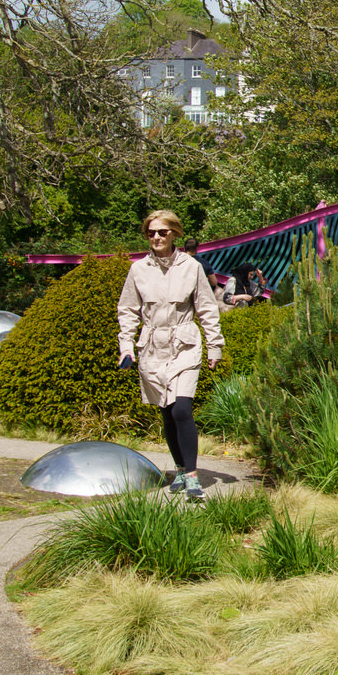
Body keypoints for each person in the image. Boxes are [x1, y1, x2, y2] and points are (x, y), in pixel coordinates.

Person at [117, 210, 224, 501]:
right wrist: (126, 346)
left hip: (185, 346)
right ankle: (179, 469)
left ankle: (192, 476)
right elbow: (127, 310)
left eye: (162, 232)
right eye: (151, 232)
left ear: (174, 234)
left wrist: (215, 345)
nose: (156, 237)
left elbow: (206, 307)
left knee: (181, 409)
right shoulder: (138, 270)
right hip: (152, 348)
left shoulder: (191, 267)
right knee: (166, 411)